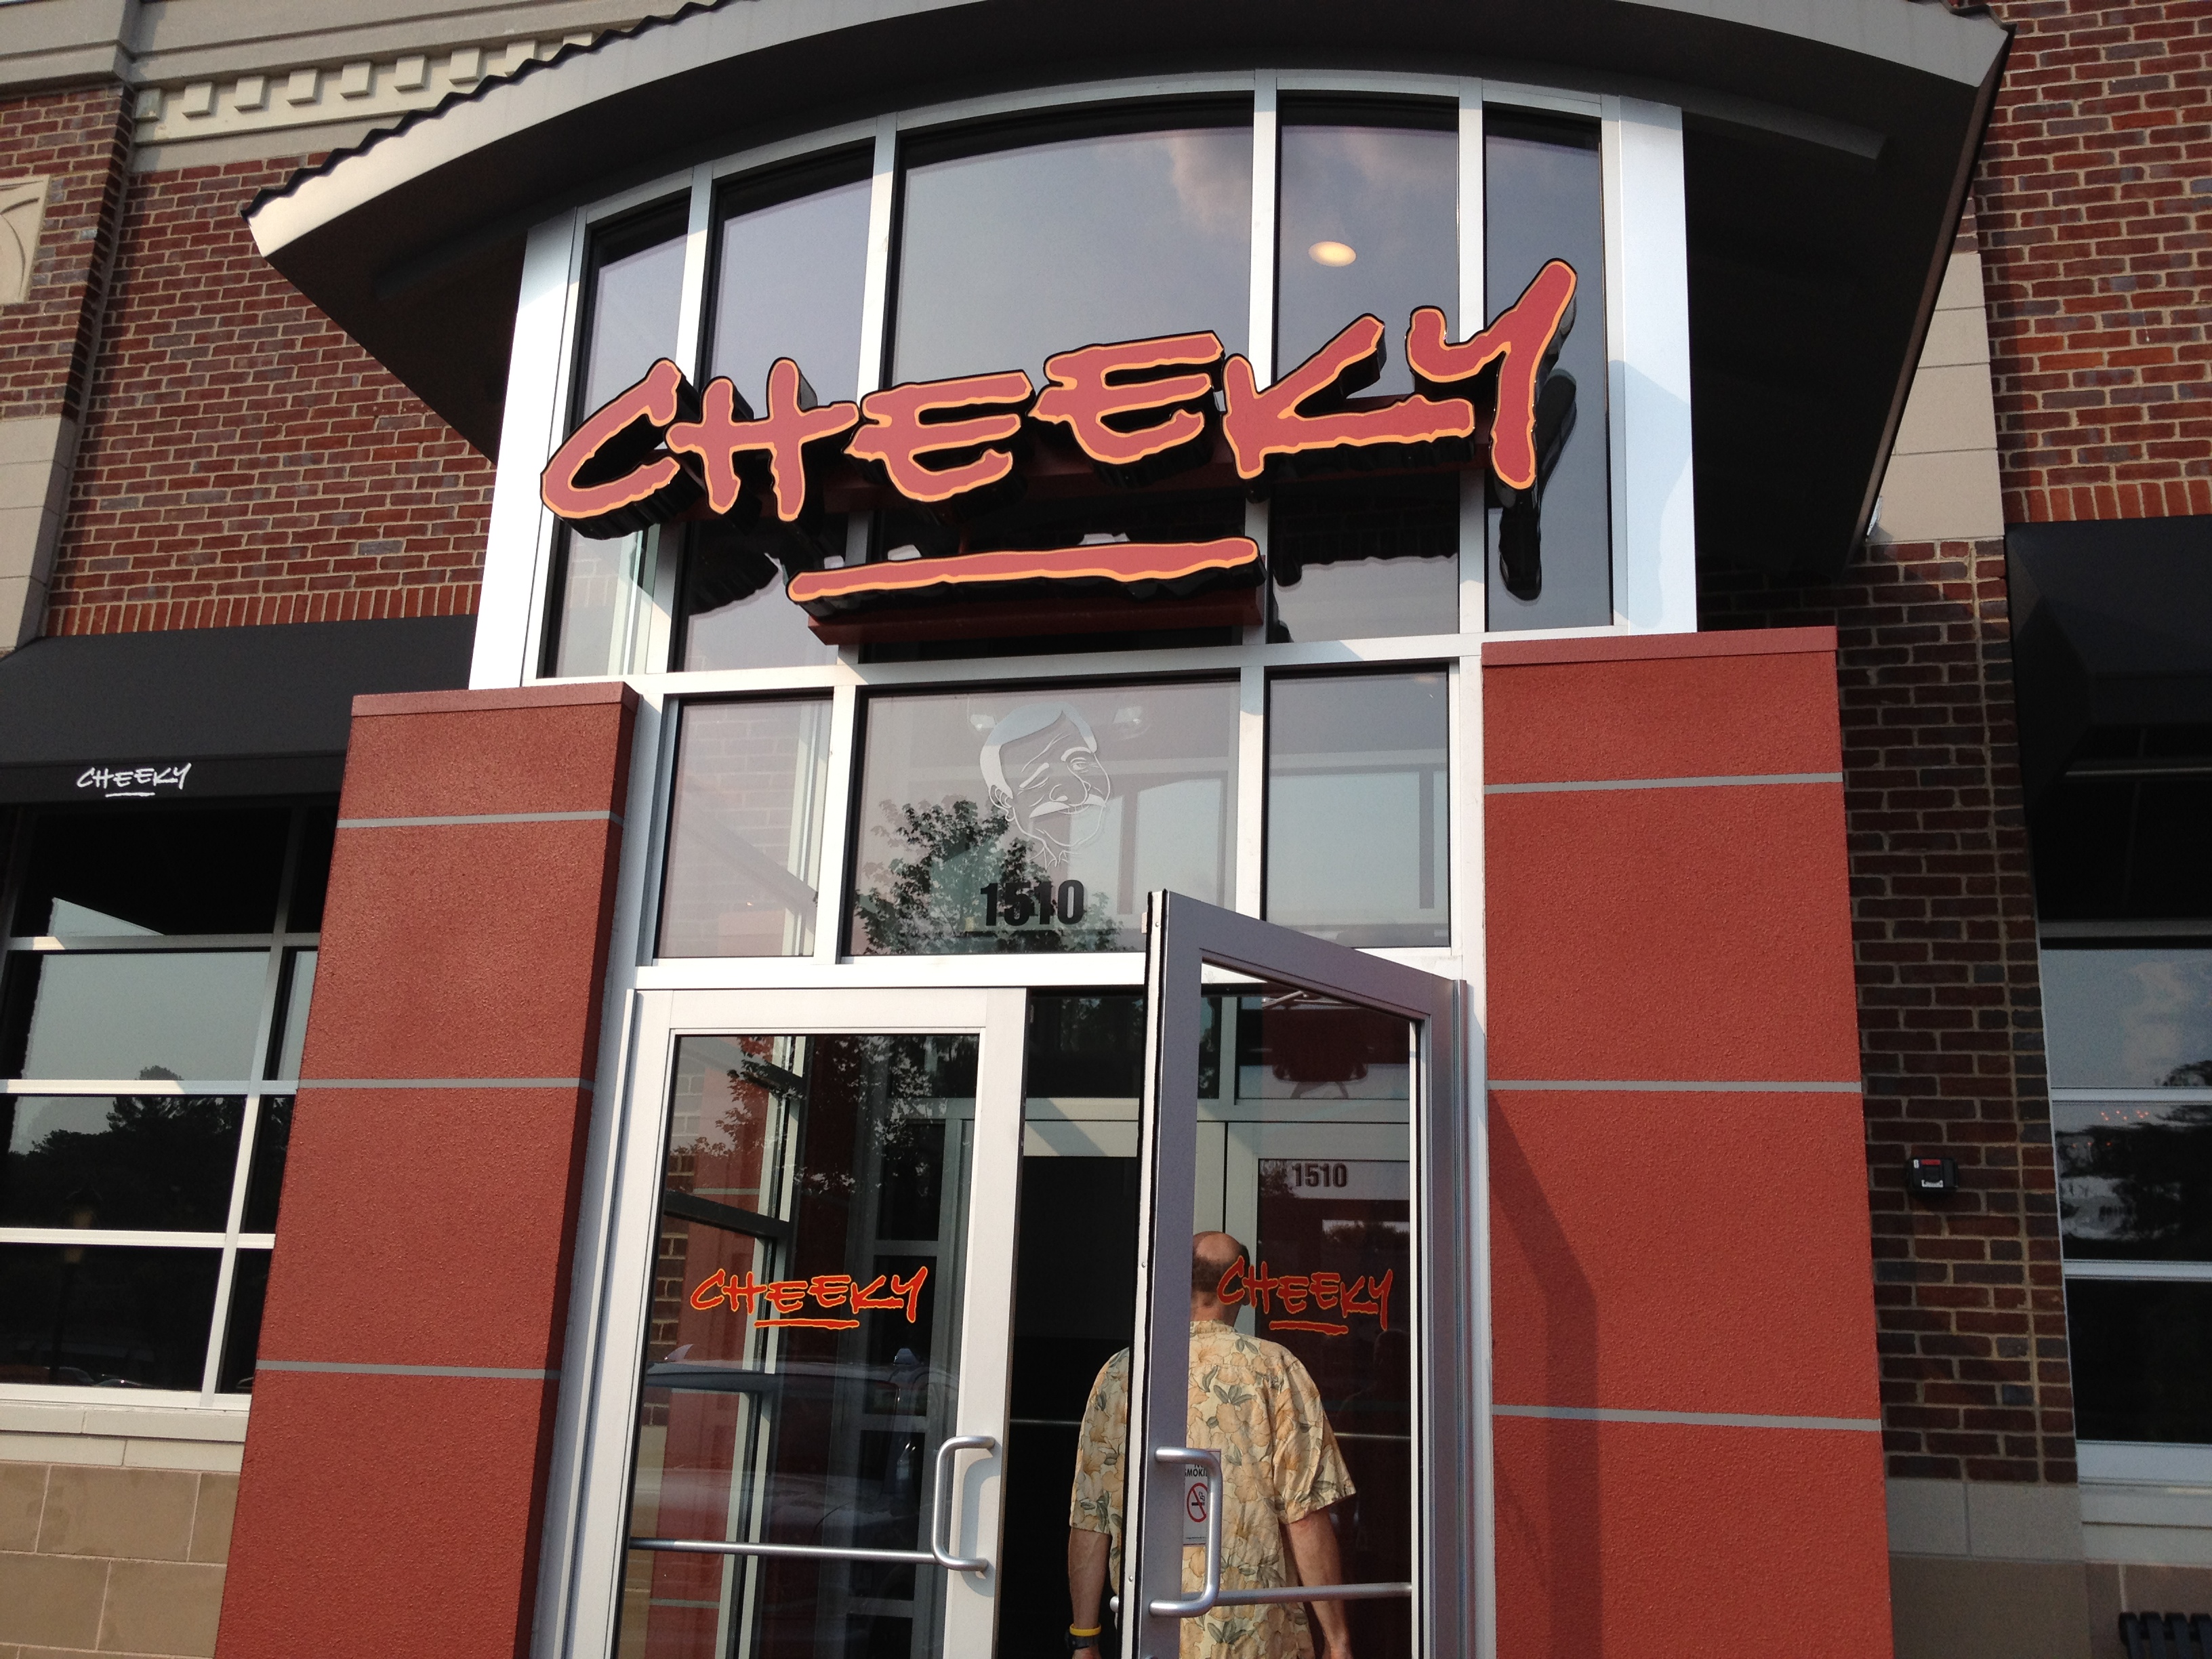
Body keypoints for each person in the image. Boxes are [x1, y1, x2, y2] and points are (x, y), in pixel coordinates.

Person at [1066, 1232, 1357, 1659]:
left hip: (1152, 1628)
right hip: (1256, 1635)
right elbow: (1306, 1517)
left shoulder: (1122, 1373)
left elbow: (1092, 1519)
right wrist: (1338, 1639)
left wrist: (1084, 1638)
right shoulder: (1276, 1369)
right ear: (1242, 1288)